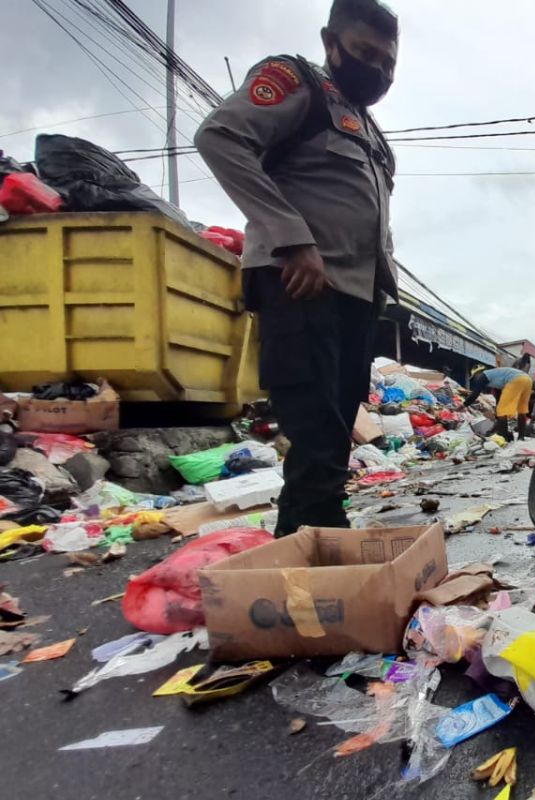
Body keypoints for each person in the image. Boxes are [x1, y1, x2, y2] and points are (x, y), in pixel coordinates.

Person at [195, 0, 399, 537]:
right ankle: (309, 557)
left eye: (388, 63)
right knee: (315, 429)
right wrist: (292, 239)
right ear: (331, 43)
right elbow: (219, 137)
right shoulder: (298, 82)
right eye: (364, 53)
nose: (377, 70)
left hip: (356, 298)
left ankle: (318, 542)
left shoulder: (372, 133)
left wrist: (386, 289)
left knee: (335, 434)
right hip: (301, 284)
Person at [464, 366, 533, 442]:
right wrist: (495, 424)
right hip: (527, 380)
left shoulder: (484, 375)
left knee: (502, 411)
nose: (476, 380)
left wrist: (464, 405)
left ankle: (505, 436)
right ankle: (521, 437)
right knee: (521, 411)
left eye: (475, 377)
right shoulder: (496, 377)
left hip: (515, 380)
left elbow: (475, 394)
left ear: (478, 373)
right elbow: (499, 400)